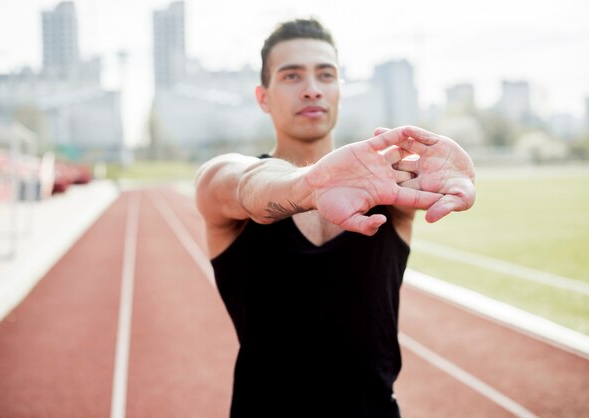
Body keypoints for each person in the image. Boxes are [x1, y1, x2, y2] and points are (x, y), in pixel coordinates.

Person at [194, 17, 476, 418]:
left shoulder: (387, 187)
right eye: (291, 76)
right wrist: (310, 185)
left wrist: (448, 172)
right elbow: (244, 186)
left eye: (325, 75)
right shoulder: (226, 179)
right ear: (263, 97)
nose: (312, 88)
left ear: (339, 89)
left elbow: (427, 180)